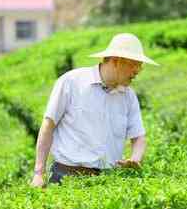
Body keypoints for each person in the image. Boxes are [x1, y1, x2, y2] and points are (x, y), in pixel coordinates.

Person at [30, 33, 159, 187]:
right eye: (135, 64)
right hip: (65, 176)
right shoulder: (71, 82)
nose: (138, 71)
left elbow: (139, 137)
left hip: (107, 180)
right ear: (116, 61)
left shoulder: (128, 96)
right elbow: (48, 126)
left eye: (140, 66)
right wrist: (39, 173)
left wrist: (135, 159)